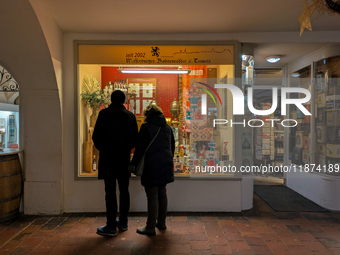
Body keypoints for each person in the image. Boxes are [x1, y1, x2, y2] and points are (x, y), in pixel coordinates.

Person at [92, 90, 138, 236]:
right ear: (124, 100)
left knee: (110, 191)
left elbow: (96, 137)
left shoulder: (104, 114)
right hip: (123, 158)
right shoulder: (130, 116)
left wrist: (105, 149)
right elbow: (134, 139)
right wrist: (125, 149)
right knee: (125, 190)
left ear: (111, 100)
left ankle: (111, 225)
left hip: (108, 158)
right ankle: (123, 221)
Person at [129, 104, 175, 236]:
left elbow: (140, 149)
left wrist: (133, 164)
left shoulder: (146, 126)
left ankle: (150, 227)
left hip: (152, 163)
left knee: (152, 194)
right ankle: (161, 223)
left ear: (147, 115)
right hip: (166, 162)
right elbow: (172, 147)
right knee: (162, 192)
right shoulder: (167, 127)